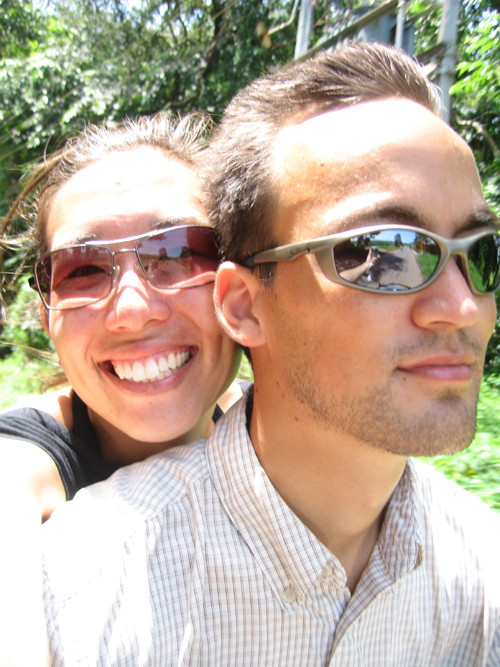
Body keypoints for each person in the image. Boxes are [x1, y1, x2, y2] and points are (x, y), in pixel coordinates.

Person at [41, 44, 500, 665]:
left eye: (482, 253)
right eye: (381, 253)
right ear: (244, 304)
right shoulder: (75, 595)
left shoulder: (483, 573)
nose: (462, 306)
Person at [0, 114, 241, 667]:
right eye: (82, 269)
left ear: (239, 288)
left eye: (180, 252)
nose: (132, 311)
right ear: (48, 317)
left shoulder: (272, 427)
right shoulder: (18, 465)